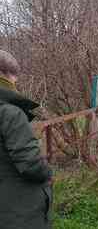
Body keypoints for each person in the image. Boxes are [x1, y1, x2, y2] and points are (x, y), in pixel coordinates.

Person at [0, 50, 53, 229]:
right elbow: (31, 164)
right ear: (7, 76)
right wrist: (47, 173)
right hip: (16, 210)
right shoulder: (9, 112)